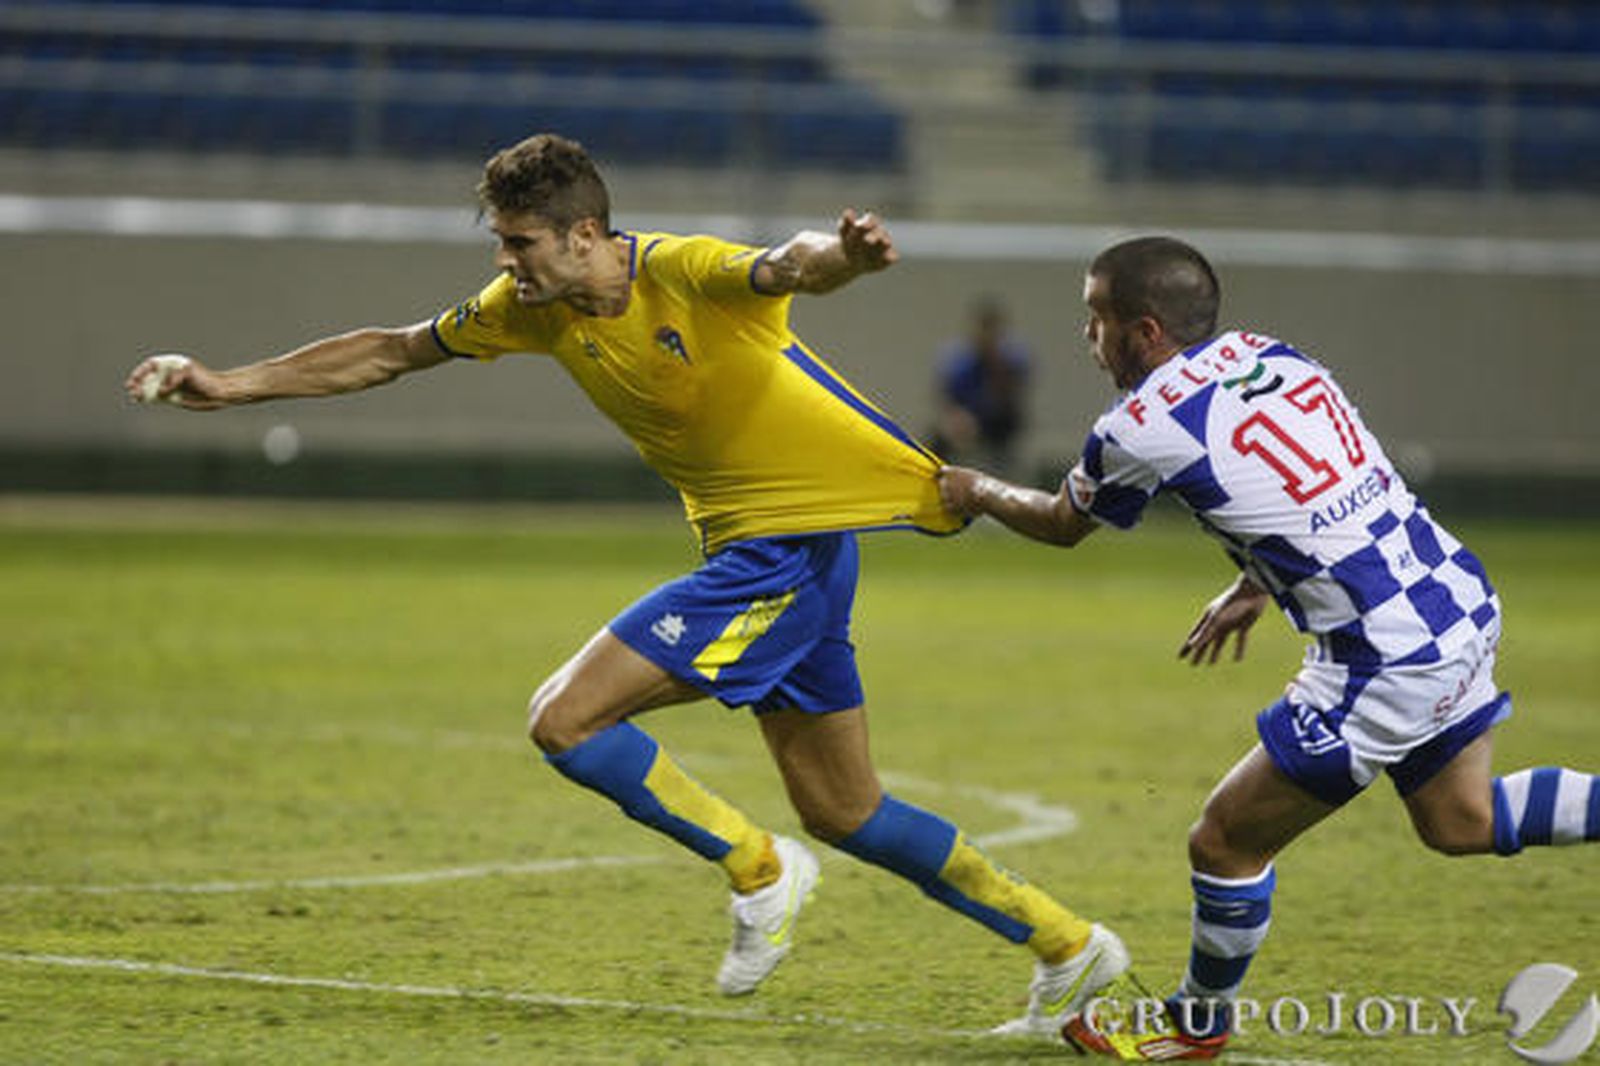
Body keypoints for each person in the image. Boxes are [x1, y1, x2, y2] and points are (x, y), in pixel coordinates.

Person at [123, 133, 1129, 1032]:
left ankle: (757, 865)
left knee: (566, 719)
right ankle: (1066, 943)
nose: (503, 263)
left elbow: (788, 266)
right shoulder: (534, 310)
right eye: (501, 244)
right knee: (845, 807)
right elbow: (391, 351)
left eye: (518, 243)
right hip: (784, 556)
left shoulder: (685, 271)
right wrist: (230, 384)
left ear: (583, 233)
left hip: (781, 556)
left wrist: (847, 260)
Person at [938, 235, 1600, 1060]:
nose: (1087, 336)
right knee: (1461, 820)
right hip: (1455, 598)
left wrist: (975, 490)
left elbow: (1063, 525)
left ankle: (1194, 1029)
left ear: (1143, 331)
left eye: (1095, 317)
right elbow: (1321, 485)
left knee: (1224, 841)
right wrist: (1257, 582)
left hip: (1381, 657)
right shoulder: (1274, 356)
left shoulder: (1138, 425)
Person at [929, 296, 1032, 475]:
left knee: (1006, 426)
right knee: (937, 438)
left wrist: (997, 367)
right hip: (964, 418)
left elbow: (1012, 396)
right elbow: (946, 397)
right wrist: (958, 419)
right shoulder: (959, 359)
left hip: (999, 419)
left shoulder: (1012, 358)